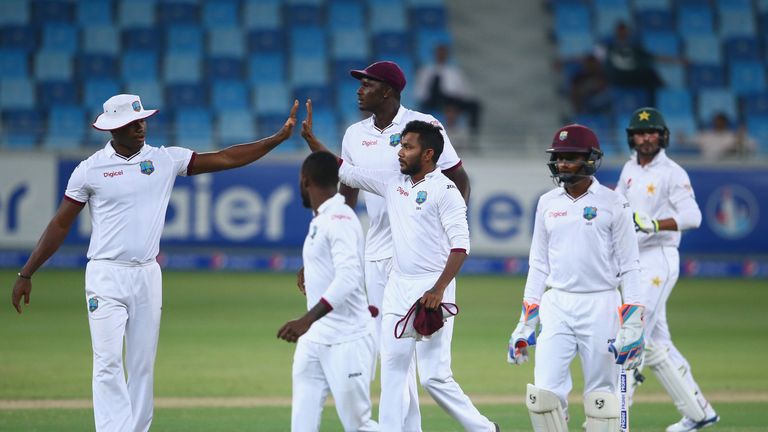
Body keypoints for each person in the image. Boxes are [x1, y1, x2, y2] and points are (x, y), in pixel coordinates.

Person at [10, 94, 299, 432]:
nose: (141, 126)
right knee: (107, 362)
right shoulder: (89, 170)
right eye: (132, 123)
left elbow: (225, 158)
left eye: (142, 120)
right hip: (105, 275)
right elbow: (60, 223)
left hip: (147, 274)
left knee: (142, 365)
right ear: (113, 129)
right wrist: (27, 272)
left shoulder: (164, 160)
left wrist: (277, 139)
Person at [298, 60, 471, 431]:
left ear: (388, 91)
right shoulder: (353, 134)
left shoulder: (422, 127)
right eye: (360, 83)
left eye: (367, 83)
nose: (360, 89)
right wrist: (323, 246)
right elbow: (347, 188)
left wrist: (444, 226)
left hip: (421, 261)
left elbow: (459, 178)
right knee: (393, 360)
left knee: (430, 369)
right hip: (378, 256)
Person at [506, 124, 645, 431]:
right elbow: (538, 264)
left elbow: (631, 265)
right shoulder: (547, 202)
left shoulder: (614, 203)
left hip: (602, 302)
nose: (563, 164)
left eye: (572, 157)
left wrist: (634, 321)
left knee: (602, 399)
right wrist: (526, 320)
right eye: (559, 157)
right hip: (557, 304)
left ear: (590, 159)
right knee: (544, 396)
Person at [617, 107, 719, 432]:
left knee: (633, 332)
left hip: (659, 257)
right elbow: (619, 211)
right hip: (634, 261)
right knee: (659, 342)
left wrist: (654, 223)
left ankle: (617, 416)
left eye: (652, 133)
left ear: (662, 136)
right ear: (632, 137)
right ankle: (700, 411)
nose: (646, 139)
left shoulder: (673, 172)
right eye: (640, 133)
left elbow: (694, 217)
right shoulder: (629, 168)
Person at [277, 151, 379, 432]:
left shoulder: (340, 219)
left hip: (347, 340)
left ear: (304, 180)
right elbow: (332, 262)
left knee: (358, 426)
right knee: (302, 425)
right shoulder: (324, 217)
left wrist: (306, 320)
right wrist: (310, 268)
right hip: (314, 342)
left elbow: (348, 277)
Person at [414, 44, 482, 136]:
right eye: (439, 53)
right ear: (435, 54)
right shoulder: (427, 71)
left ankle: (473, 134)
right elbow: (420, 90)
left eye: (443, 53)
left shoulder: (455, 72)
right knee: (444, 97)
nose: (441, 55)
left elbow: (464, 89)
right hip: (433, 99)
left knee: (474, 105)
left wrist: (459, 97)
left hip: (452, 99)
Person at [682, 112, 757, 161]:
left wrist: (741, 138)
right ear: (713, 122)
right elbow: (687, 141)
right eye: (717, 121)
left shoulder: (733, 136)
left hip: (727, 166)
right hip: (707, 165)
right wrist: (682, 138)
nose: (719, 123)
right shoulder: (705, 135)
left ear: (726, 123)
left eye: (721, 121)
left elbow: (753, 145)